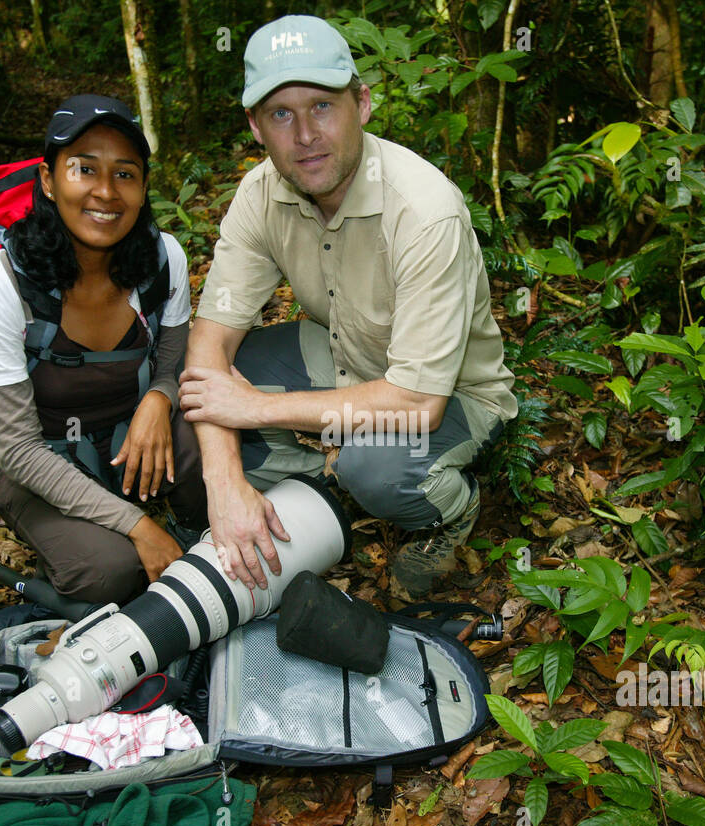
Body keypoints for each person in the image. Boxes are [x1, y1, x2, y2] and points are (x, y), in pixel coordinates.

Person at [178, 16, 518, 600]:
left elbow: (418, 402)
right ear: (255, 127)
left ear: (361, 104)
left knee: (376, 467)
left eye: (322, 106)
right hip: (349, 358)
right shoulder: (260, 195)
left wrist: (254, 408)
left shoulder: (423, 210)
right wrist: (223, 482)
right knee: (203, 421)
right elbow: (209, 346)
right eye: (281, 114)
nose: (305, 134)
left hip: (451, 392)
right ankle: (321, 476)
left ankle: (449, 511)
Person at [0, 94, 207, 606]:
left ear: (142, 189)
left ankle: (191, 523)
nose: (105, 192)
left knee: (221, 455)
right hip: (43, 463)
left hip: (138, 438)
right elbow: (17, 449)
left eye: (125, 174)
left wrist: (159, 400)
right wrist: (137, 526)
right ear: (49, 181)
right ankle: (120, 531)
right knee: (109, 573)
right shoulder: (0, 286)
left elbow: (173, 364)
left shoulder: (164, 260)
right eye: (84, 169)